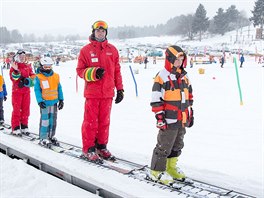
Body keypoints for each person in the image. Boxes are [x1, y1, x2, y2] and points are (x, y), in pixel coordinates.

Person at [76, 20, 124, 163]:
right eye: (98, 30)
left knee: (104, 122)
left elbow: (117, 71)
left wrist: (120, 88)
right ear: (93, 32)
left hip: (108, 93)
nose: (100, 33)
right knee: (90, 122)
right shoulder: (86, 50)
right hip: (93, 93)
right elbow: (80, 71)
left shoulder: (113, 50)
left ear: (106, 32)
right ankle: (88, 149)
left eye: (103, 31)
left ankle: (101, 147)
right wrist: (93, 72)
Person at [149, 45, 194, 185]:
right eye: (177, 59)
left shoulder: (185, 77)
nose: (179, 62)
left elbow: (189, 96)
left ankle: (170, 167)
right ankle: (157, 170)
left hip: (182, 118)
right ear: (169, 59)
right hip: (168, 119)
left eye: (181, 59)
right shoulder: (162, 77)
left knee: (177, 144)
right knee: (164, 145)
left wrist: (190, 113)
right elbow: (156, 100)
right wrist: (160, 117)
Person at [34, 57, 64, 147]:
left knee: (53, 121)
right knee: (45, 121)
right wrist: (39, 101)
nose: (48, 68)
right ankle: (43, 137)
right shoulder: (39, 77)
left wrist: (61, 99)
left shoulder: (56, 76)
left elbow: (59, 88)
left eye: (49, 66)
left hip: (54, 102)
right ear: (42, 66)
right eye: (45, 66)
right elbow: (37, 90)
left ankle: (51, 136)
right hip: (45, 103)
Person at [9, 50, 35, 135]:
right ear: (17, 57)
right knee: (17, 109)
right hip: (17, 92)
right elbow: (13, 78)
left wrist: (30, 80)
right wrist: (16, 70)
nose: (22, 58)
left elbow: (33, 76)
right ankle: (15, 127)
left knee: (25, 109)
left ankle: (24, 125)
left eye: (23, 57)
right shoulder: (14, 67)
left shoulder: (27, 66)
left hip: (26, 92)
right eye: (20, 57)